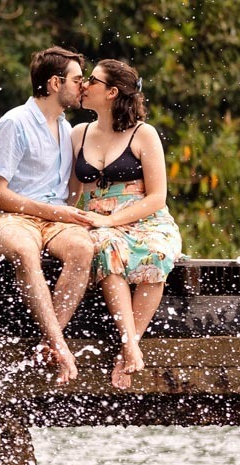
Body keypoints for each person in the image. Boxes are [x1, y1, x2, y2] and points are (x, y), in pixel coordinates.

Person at [0, 46, 95, 384]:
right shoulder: (14, 122)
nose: (83, 86)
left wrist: (68, 212)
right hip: (11, 218)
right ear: (55, 83)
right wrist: (54, 211)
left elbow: (69, 189)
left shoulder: (67, 127)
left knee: (83, 249)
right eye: (77, 80)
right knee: (24, 249)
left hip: (54, 221)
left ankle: (50, 343)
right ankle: (61, 345)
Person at [71, 59, 183, 389]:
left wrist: (111, 219)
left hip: (144, 219)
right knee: (105, 247)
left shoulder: (143, 134)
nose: (84, 85)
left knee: (157, 253)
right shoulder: (79, 133)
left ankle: (128, 346)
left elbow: (157, 196)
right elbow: (72, 193)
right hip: (97, 221)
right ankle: (130, 343)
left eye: (92, 80)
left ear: (111, 92)